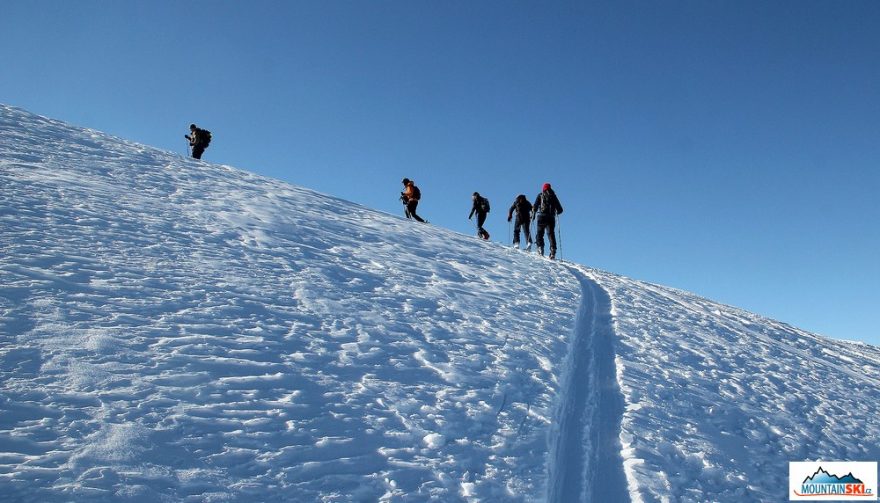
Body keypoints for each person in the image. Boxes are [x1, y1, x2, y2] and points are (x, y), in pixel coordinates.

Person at [532, 183, 564, 259]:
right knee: (551, 234)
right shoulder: (553, 196)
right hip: (551, 218)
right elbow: (560, 210)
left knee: (540, 233)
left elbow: (535, 206)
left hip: (541, 216)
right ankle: (553, 251)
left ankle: (540, 248)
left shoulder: (540, 195)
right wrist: (555, 212)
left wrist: (533, 215)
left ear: (543, 188)